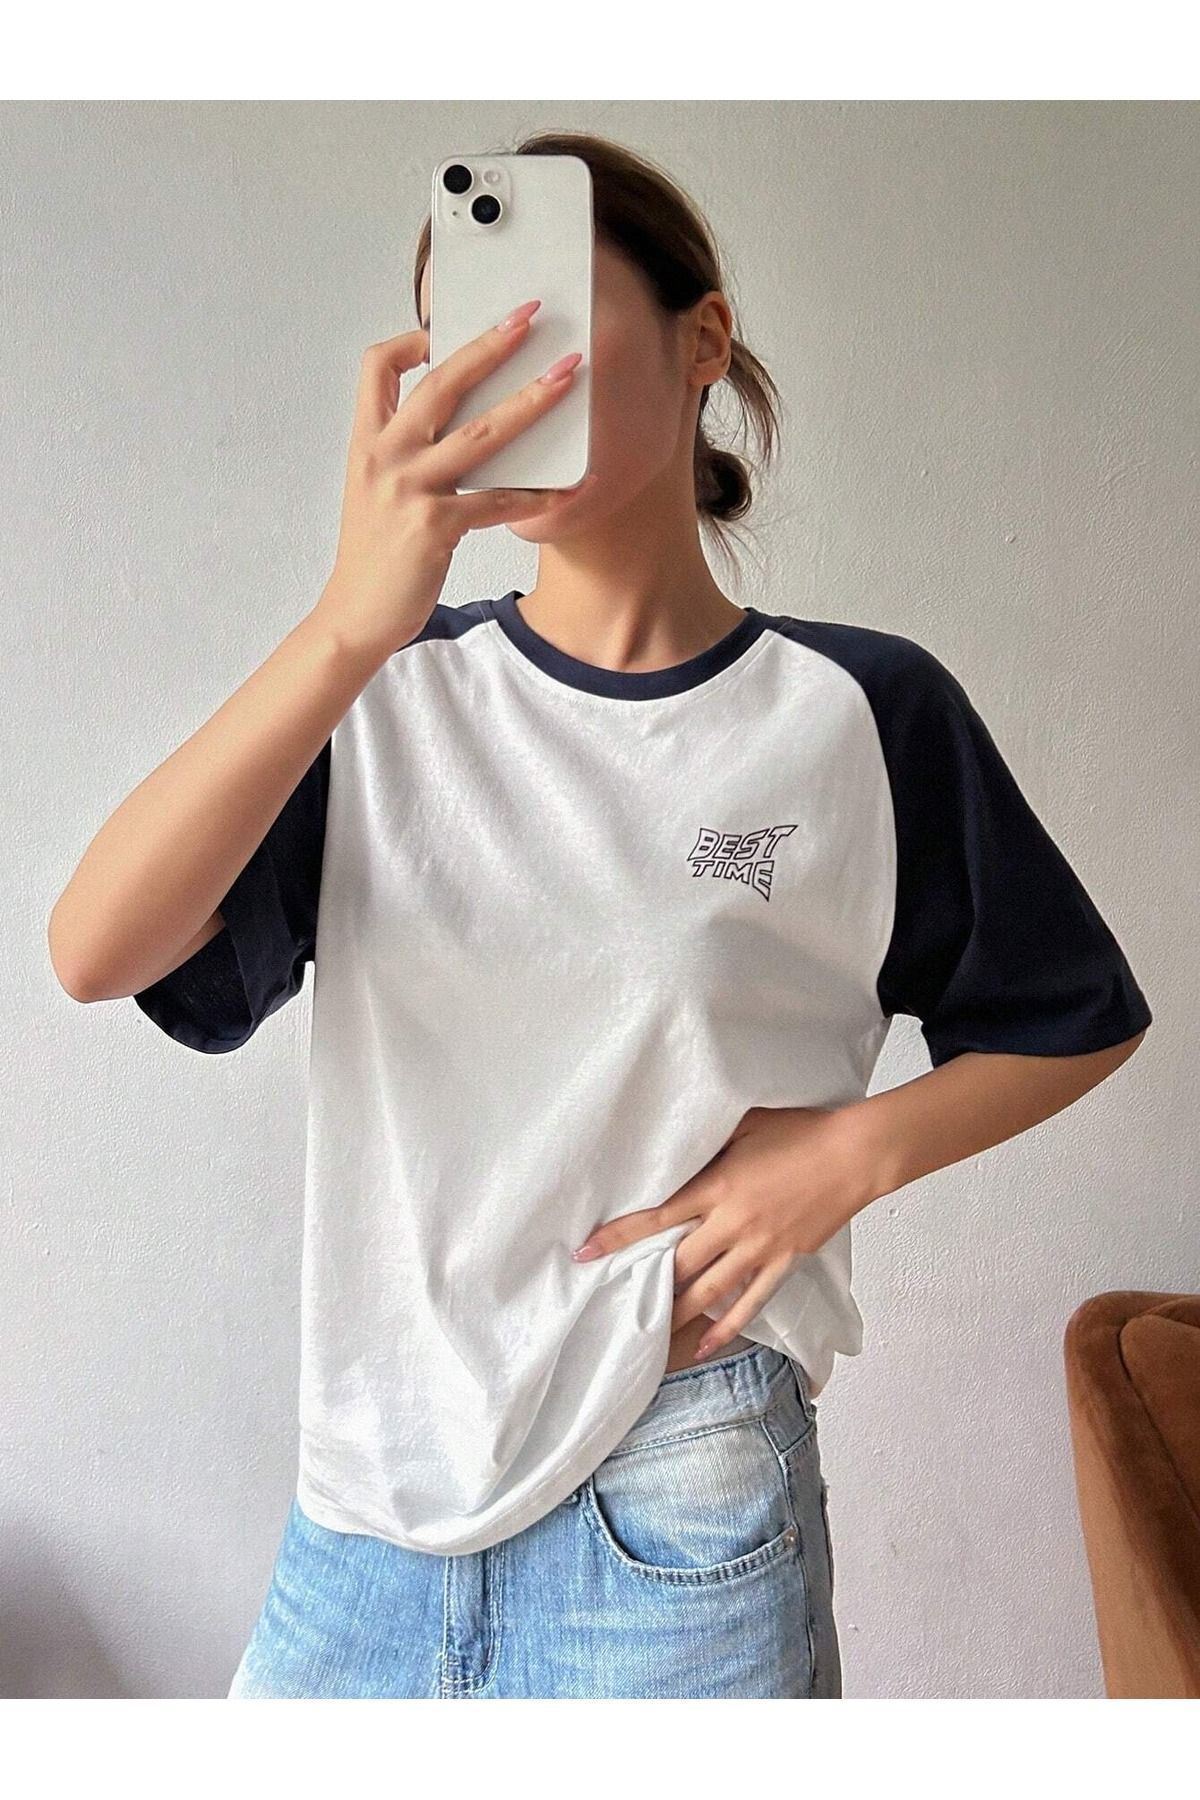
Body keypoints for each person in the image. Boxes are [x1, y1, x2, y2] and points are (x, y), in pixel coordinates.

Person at [48, 129, 1153, 1701]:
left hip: (681, 1491)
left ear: (705, 342)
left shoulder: (858, 711)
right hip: (368, 1506)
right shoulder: (382, 697)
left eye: (552, 313)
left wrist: (843, 1159)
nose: (514, 370)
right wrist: (354, 620)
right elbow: (95, 951)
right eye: (472, 331)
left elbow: (1074, 1015)